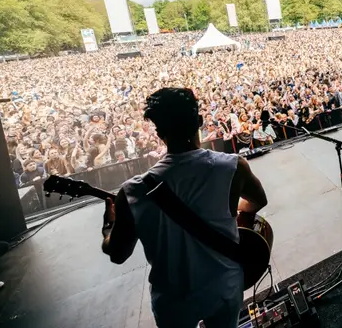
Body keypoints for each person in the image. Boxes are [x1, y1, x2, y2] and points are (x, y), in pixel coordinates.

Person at [100, 88, 268, 328]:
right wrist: (230, 207)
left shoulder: (132, 192)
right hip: (224, 287)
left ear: (159, 133)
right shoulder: (232, 167)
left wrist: (109, 226)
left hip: (173, 301)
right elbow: (257, 201)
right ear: (199, 121)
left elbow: (117, 254)